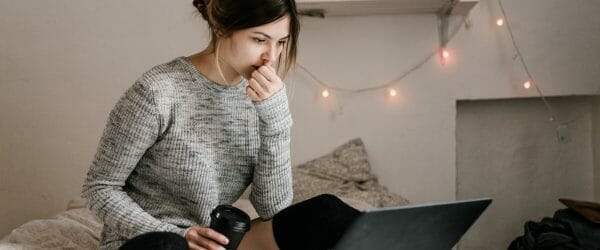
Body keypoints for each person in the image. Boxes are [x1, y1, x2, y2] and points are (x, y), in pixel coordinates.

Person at [82, 0, 360, 249]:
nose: (271, 57)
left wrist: (276, 122)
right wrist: (180, 235)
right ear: (221, 28)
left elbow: (272, 208)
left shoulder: (261, 98)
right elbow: (100, 188)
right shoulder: (158, 91)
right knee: (167, 246)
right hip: (152, 241)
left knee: (328, 212)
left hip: (218, 241)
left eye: (281, 42)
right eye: (260, 39)